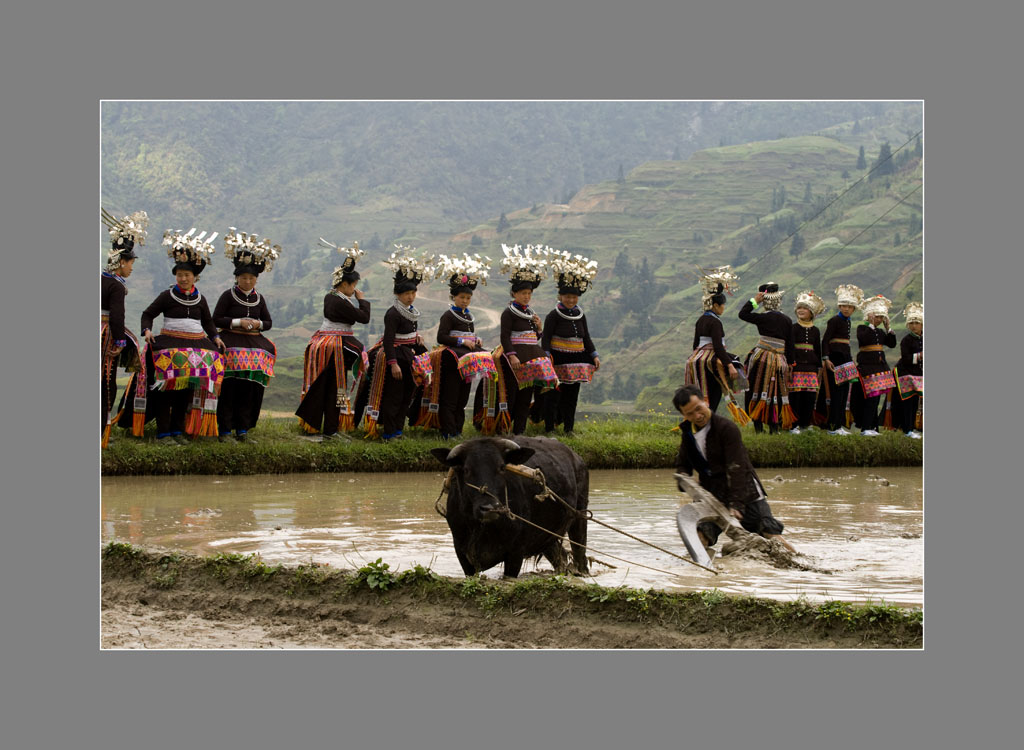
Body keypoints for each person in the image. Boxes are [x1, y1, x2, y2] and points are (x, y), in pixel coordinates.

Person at [123, 229, 225, 444]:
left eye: (187, 275)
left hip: (196, 344)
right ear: (175, 276)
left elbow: (207, 321)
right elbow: (148, 314)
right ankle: (163, 432)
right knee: (166, 390)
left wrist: (214, 337)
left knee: (186, 390)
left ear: (195, 277)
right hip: (171, 344)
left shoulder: (201, 299)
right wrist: (147, 331)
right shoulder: (167, 296)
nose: (183, 278)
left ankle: (179, 430)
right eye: (180, 275)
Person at [673, 384, 794, 554]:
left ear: (705, 401)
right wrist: (683, 478)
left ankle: (799, 562)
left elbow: (737, 466)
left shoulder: (726, 428)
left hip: (745, 492)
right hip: (712, 495)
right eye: (690, 414)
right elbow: (683, 463)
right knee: (700, 536)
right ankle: (705, 572)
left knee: (769, 533)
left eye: (698, 409)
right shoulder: (687, 433)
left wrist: (736, 504)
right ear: (683, 415)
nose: (697, 416)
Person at [296, 240, 370, 440]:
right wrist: (362, 300)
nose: (355, 289)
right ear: (344, 284)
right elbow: (364, 318)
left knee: (335, 388)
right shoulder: (338, 300)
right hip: (333, 347)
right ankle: (328, 428)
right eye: (353, 285)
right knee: (334, 388)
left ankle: (331, 427)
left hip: (331, 344)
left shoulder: (335, 298)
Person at [213, 229, 281, 443]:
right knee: (229, 389)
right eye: (244, 277)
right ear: (237, 278)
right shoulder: (227, 296)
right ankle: (224, 430)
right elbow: (216, 319)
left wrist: (257, 324)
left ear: (256, 279)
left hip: (253, 346)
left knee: (249, 389)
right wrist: (238, 323)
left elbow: (268, 323)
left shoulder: (259, 299)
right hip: (231, 342)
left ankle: (243, 429)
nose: (248, 281)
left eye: (252, 277)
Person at [418, 254, 495, 438]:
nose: (465, 301)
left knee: (461, 398)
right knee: (450, 398)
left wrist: (475, 341)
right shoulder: (448, 315)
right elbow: (441, 336)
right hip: (452, 360)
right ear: (454, 297)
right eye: (462, 297)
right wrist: (462, 342)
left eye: (468, 297)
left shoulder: (468, 316)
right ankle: (448, 431)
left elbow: (469, 335)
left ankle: (458, 430)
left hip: (466, 361)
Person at [360, 246, 432, 440]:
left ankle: (399, 430)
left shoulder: (411, 310)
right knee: (394, 396)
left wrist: (416, 337)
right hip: (397, 356)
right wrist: (393, 364)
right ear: (398, 294)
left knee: (407, 394)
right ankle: (389, 432)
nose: (411, 297)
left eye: (413, 293)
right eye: (407, 293)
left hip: (410, 355)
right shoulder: (392, 313)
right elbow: (390, 340)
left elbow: (409, 332)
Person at [492, 244, 558, 435]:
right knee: (511, 396)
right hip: (516, 359)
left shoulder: (530, 313)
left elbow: (534, 338)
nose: (526, 297)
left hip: (531, 357)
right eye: (523, 293)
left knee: (525, 397)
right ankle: (503, 430)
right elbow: (505, 336)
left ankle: (519, 432)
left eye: (529, 294)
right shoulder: (508, 312)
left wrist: (539, 328)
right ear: (514, 293)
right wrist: (512, 356)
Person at [100, 209, 147, 447]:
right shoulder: (117, 286)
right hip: (105, 334)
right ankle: (100, 435)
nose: (131, 268)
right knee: (106, 381)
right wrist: (119, 341)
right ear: (120, 262)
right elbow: (117, 317)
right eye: (129, 263)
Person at [541, 251, 600, 435]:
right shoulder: (553, 315)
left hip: (577, 360)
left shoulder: (580, 314)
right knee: (553, 396)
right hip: (557, 360)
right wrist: (547, 356)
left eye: (574, 297)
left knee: (572, 397)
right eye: (567, 297)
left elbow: (586, 337)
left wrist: (594, 355)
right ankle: (550, 428)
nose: (571, 300)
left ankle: (569, 429)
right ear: (560, 296)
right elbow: (546, 337)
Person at [683, 265, 747, 424]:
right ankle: (705, 423)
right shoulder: (715, 323)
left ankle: (698, 422)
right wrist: (729, 365)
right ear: (716, 305)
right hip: (710, 361)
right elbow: (718, 347)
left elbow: (695, 343)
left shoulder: (700, 320)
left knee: (701, 394)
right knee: (714, 394)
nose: (724, 308)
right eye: (722, 305)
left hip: (696, 359)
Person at [738, 282, 796, 433]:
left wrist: (754, 301)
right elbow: (790, 344)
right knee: (776, 391)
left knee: (757, 388)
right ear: (779, 301)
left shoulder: (762, 318)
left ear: (765, 301)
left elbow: (742, 314)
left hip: (761, 357)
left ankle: (758, 426)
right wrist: (790, 364)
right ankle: (774, 427)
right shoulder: (787, 320)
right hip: (779, 361)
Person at [818, 284, 864, 435]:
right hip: (835, 359)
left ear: (853, 309)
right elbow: (825, 341)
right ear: (839, 306)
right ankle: (833, 426)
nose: (846, 309)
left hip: (845, 358)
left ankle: (839, 424)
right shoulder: (834, 321)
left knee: (845, 392)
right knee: (836, 393)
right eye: (843, 305)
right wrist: (826, 358)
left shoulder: (848, 322)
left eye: (849, 306)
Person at [853, 294, 897, 436]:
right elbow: (864, 339)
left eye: (881, 317)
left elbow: (891, 344)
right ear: (869, 315)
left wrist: (888, 328)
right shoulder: (862, 328)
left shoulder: (880, 331)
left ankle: (873, 427)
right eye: (877, 316)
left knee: (877, 398)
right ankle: (866, 427)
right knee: (870, 398)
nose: (879, 319)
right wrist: (871, 324)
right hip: (867, 368)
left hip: (880, 368)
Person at [788, 290, 825, 434]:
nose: (801, 310)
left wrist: (819, 367)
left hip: (811, 368)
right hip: (797, 366)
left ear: (812, 312)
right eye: (799, 308)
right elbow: (790, 348)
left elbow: (818, 349)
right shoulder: (793, 328)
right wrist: (791, 363)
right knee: (795, 396)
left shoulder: (815, 331)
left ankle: (806, 423)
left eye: (804, 308)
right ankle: (794, 424)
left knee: (809, 397)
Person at [890, 302, 923, 438]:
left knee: (915, 402)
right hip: (905, 374)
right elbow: (906, 358)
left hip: (918, 375)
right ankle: (907, 429)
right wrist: (920, 356)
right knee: (907, 402)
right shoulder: (906, 340)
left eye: (916, 322)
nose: (914, 325)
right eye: (912, 323)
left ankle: (912, 428)